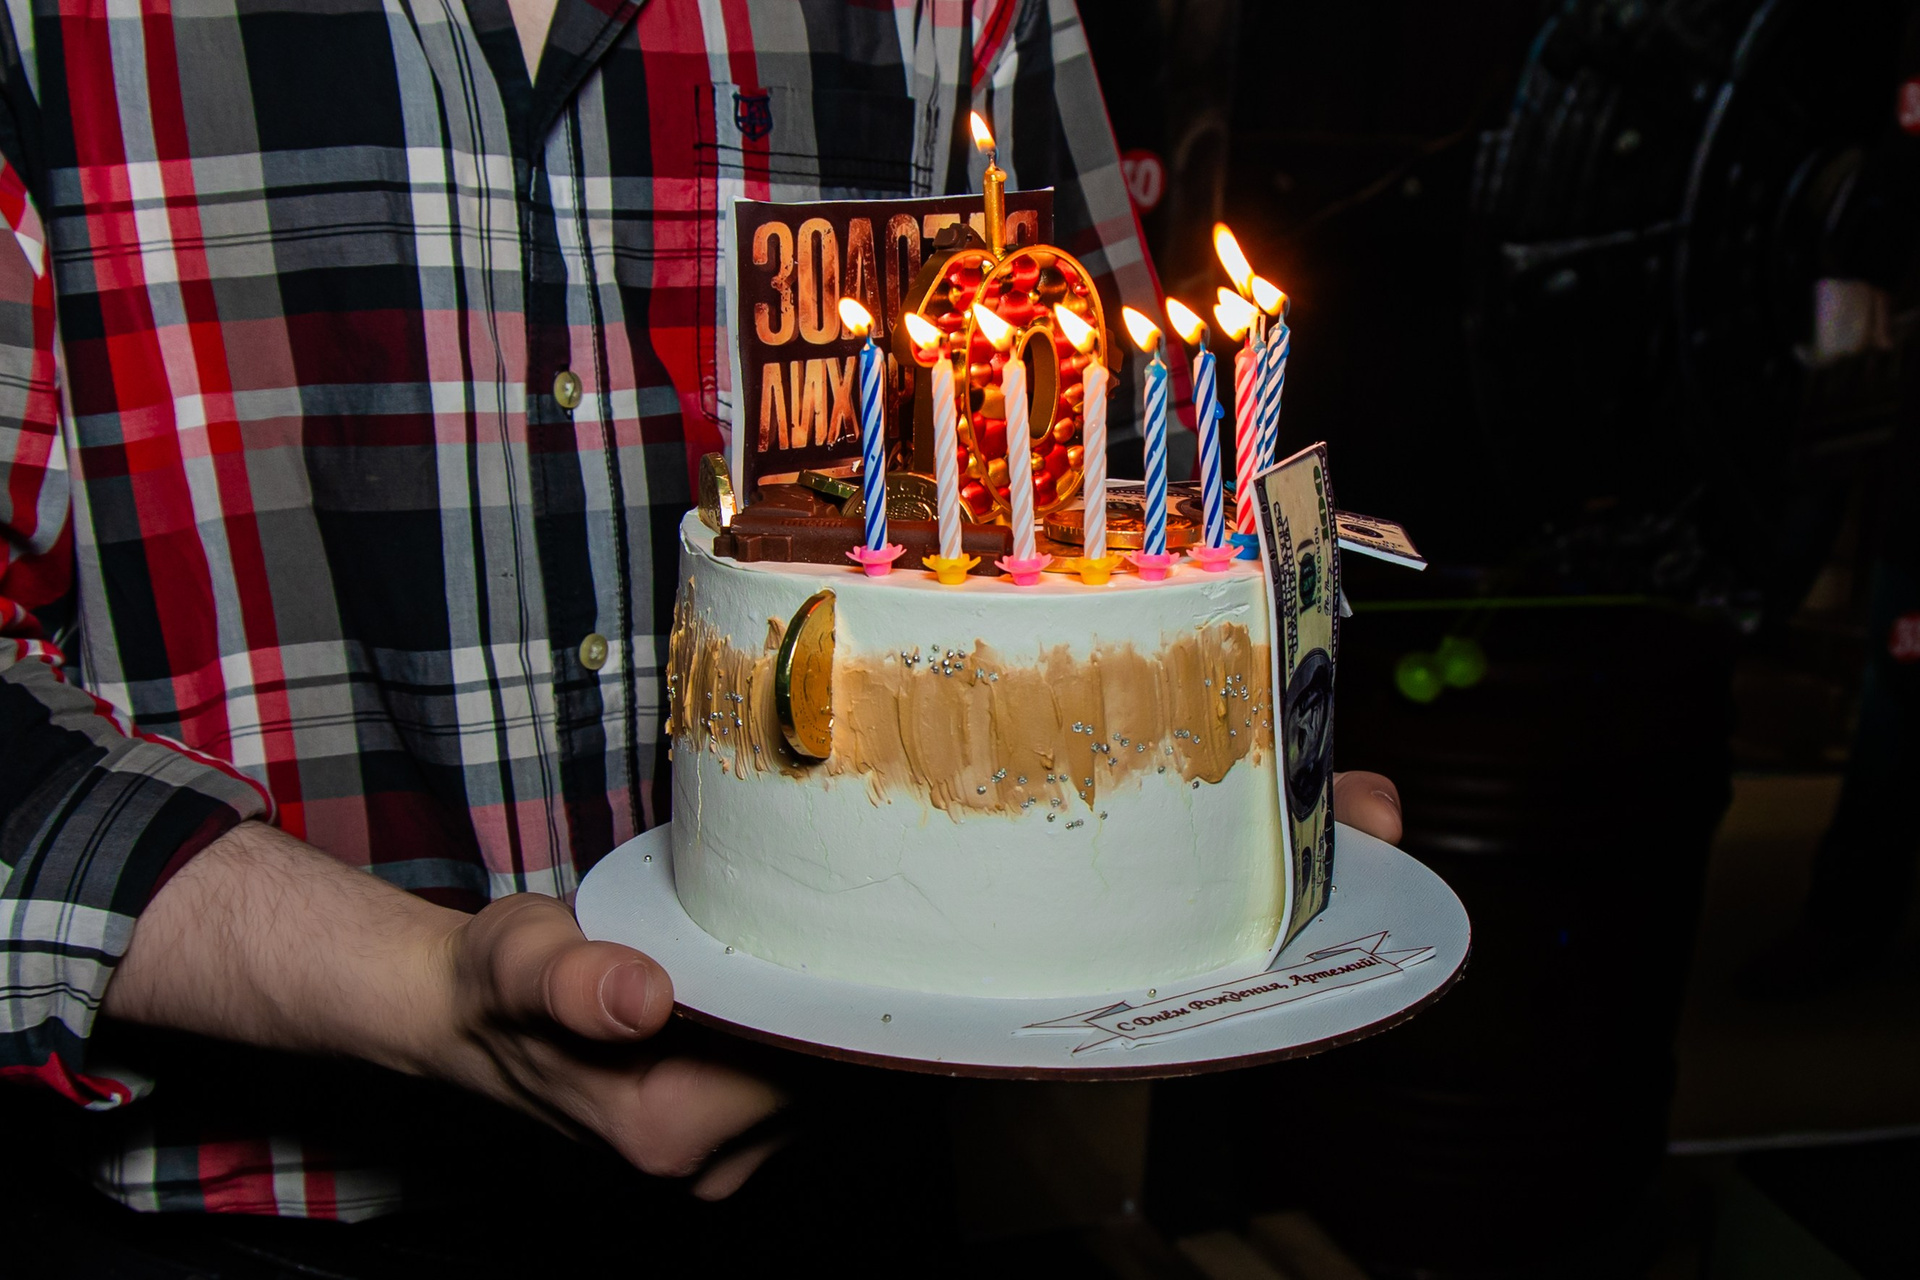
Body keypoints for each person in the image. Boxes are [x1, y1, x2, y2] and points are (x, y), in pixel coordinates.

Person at [0, 0, 1405, 1253]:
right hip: (244, 1199)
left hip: (846, 1171)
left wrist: (1210, 805)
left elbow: (1132, 468)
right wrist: (418, 988)